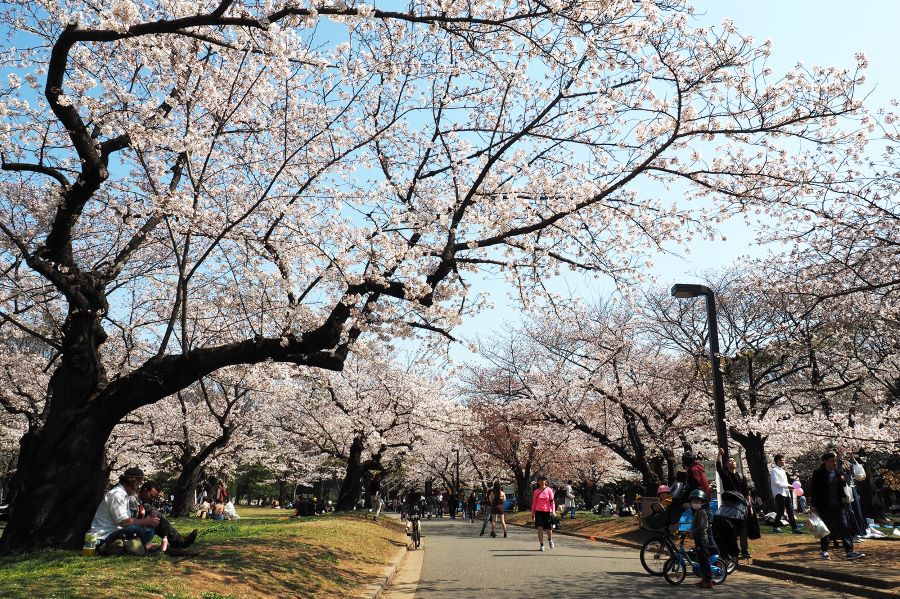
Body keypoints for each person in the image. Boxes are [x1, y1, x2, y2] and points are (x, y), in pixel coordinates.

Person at [89, 467, 160, 555]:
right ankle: (141, 547)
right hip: (104, 537)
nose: (138, 488)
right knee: (136, 528)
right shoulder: (117, 495)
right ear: (134, 483)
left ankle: (136, 546)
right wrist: (145, 521)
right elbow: (124, 522)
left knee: (150, 531)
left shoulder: (124, 495)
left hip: (117, 533)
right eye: (139, 484)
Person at [809, 451, 865, 561]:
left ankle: (849, 552)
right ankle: (824, 551)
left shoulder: (838, 472)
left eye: (835, 460)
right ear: (825, 461)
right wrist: (813, 505)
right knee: (826, 529)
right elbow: (814, 490)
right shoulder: (818, 473)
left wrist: (844, 488)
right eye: (832, 461)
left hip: (838, 506)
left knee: (844, 528)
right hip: (824, 506)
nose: (835, 463)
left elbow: (842, 487)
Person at [137, 481, 198, 551]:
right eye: (151, 495)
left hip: (143, 527)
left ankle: (177, 540)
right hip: (135, 530)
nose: (152, 499)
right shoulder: (135, 500)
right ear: (145, 491)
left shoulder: (146, 502)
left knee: (159, 519)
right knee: (159, 520)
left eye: (154, 497)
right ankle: (178, 541)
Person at [715, 448, 750, 561]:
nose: (732, 462)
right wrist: (719, 454)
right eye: (729, 461)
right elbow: (718, 467)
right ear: (726, 464)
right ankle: (733, 550)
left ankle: (744, 550)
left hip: (741, 506)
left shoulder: (741, 477)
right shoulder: (725, 476)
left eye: (733, 461)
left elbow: (746, 492)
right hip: (729, 506)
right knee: (731, 528)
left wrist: (749, 506)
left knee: (743, 528)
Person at [683, 451, 718, 556]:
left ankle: (713, 557)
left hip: (699, 503)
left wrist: (689, 500)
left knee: (704, 531)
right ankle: (707, 553)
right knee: (706, 531)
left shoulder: (692, 470)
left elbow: (695, 487)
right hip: (704, 502)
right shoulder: (699, 468)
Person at [769, 454, 802, 534]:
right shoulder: (774, 470)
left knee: (790, 511)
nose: (784, 461)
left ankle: (795, 528)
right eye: (782, 460)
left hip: (786, 493)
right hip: (779, 493)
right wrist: (788, 486)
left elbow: (785, 482)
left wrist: (791, 486)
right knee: (780, 511)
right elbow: (776, 483)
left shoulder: (783, 471)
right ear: (778, 461)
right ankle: (775, 527)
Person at [689, 489, 715, 588]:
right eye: (693, 501)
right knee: (701, 559)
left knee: (704, 560)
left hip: (702, 539)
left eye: (697, 501)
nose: (695, 503)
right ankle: (704, 579)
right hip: (698, 538)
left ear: (703, 502)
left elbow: (702, 527)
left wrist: (693, 532)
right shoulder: (696, 512)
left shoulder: (702, 512)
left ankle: (708, 580)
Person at [532, 474, 555, 551]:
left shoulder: (549, 490)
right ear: (538, 481)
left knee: (548, 529)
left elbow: (552, 502)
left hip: (547, 512)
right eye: (540, 480)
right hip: (538, 511)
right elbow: (534, 503)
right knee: (540, 528)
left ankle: (550, 539)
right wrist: (533, 514)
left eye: (543, 480)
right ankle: (541, 545)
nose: (542, 482)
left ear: (546, 481)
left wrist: (553, 511)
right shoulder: (536, 491)